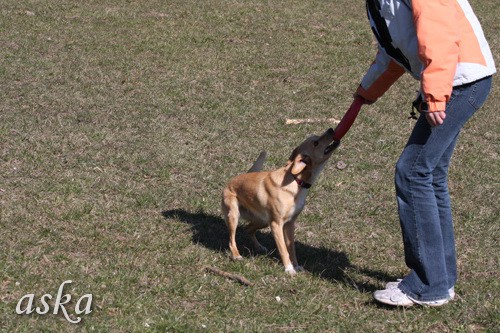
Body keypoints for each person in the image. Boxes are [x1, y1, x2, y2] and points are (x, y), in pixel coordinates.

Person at [339, 0, 496, 306]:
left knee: (413, 172)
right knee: (430, 174)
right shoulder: (378, 3)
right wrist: (365, 92)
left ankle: (427, 284)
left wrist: (436, 95)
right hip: (456, 80)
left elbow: (437, 32)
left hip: (461, 81)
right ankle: (439, 280)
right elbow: (394, 50)